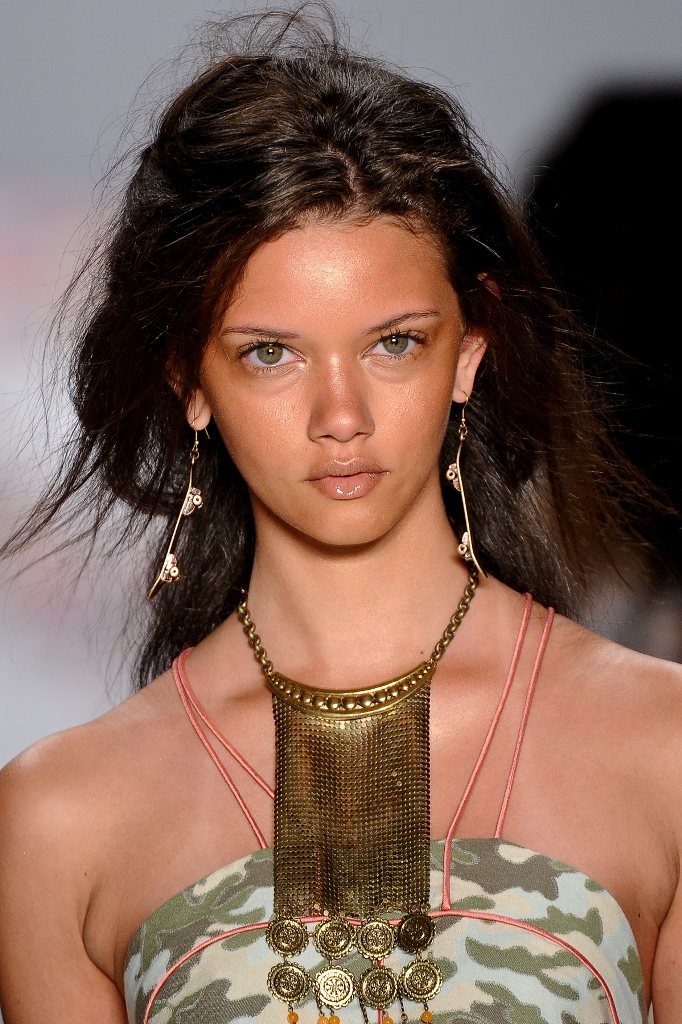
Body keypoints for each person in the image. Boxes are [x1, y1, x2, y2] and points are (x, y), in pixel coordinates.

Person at [0, 8, 680, 1023]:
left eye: (393, 343)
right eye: (270, 353)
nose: (341, 416)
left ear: (470, 349)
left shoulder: (662, 749)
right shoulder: (63, 819)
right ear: (190, 378)